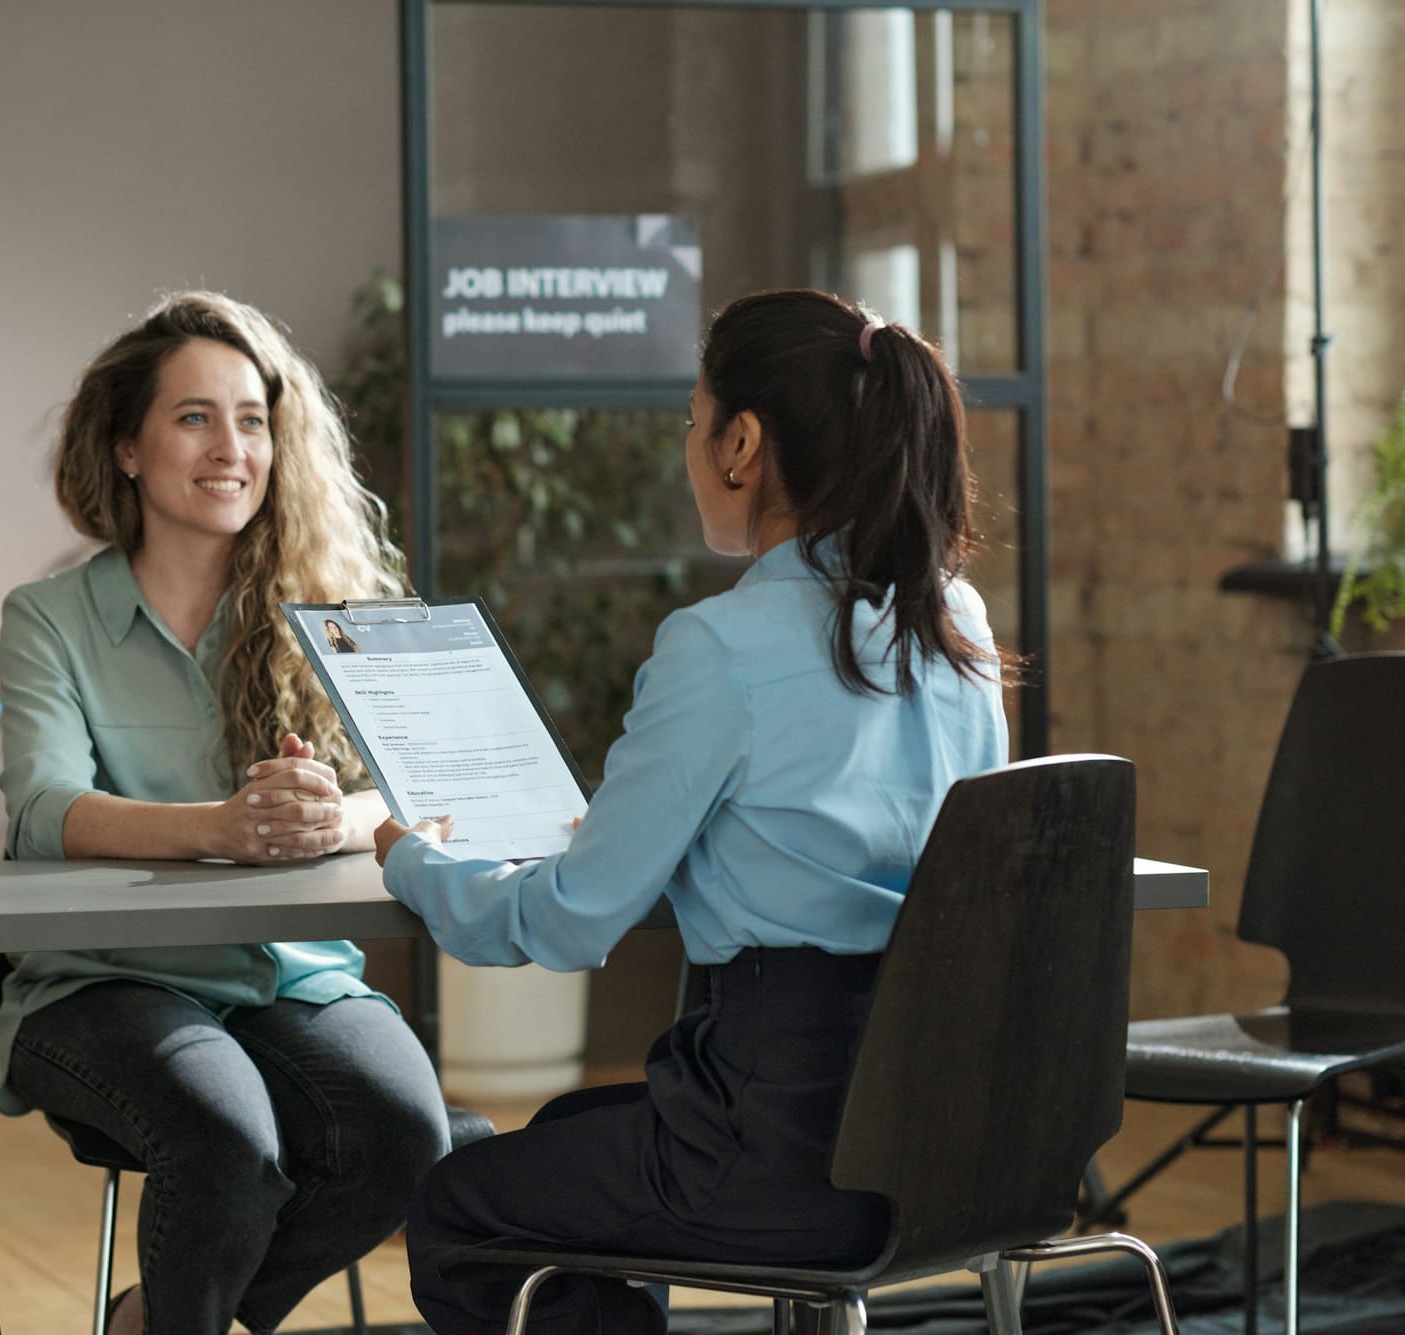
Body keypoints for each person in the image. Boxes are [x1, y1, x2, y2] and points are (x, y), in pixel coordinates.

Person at [374, 289, 1010, 1335]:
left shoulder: (720, 645)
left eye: (692, 419)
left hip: (773, 1146)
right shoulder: (953, 622)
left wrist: (409, 859)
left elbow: (568, 922)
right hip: (943, 1139)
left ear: (741, 444)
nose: (687, 445)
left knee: (459, 1207)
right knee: (572, 1130)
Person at [0, 291, 450, 1335]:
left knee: (405, 1137)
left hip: (291, 973)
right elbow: (43, 810)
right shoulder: (49, 618)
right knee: (229, 1145)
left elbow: (419, 792)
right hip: (104, 981)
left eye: (251, 420)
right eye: (194, 417)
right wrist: (223, 828)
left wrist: (328, 820)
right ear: (126, 447)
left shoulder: (331, 608)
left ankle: (149, 1320)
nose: (230, 448)